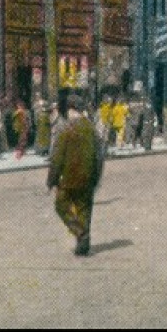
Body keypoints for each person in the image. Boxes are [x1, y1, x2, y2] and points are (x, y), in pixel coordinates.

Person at [47, 90, 106, 256]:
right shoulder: (92, 130)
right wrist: (96, 178)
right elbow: (99, 157)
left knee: (61, 206)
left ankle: (80, 233)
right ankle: (83, 246)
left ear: (70, 109)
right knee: (84, 210)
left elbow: (56, 159)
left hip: (68, 179)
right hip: (88, 178)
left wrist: (51, 180)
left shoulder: (66, 130)